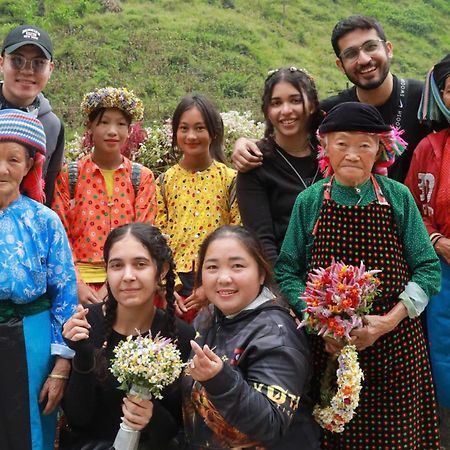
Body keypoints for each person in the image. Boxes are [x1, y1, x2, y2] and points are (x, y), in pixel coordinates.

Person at [275, 102, 441, 449]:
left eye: (364, 144)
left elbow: (428, 269)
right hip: (330, 352)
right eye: (341, 143)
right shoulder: (310, 202)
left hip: (397, 351)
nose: (352, 154)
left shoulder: (398, 198)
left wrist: (388, 321)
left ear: (381, 149)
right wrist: (319, 322)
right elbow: (288, 271)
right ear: (325, 148)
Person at [232, 15, 431, 183]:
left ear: (388, 49)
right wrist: (244, 142)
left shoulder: (424, 98)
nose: (363, 59)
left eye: (371, 47)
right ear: (340, 65)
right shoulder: (333, 111)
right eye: (351, 53)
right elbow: (290, 139)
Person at [183, 225, 321, 449]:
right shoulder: (208, 317)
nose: (224, 278)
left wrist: (219, 379)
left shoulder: (277, 332)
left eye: (237, 266)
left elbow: (272, 424)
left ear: (261, 274)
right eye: (212, 267)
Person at [61, 223, 195, 449]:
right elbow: (78, 419)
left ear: (160, 271)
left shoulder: (179, 335)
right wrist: (83, 357)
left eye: (140, 264)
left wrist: (151, 416)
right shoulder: (85, 325)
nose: (128, 276)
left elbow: (179, 428)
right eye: (117, 266)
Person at [0, 109, 77, 450]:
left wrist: (61, 364)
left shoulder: (45, 222)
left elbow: (65, 293)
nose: (3, 169)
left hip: (33, 336)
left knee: (30, 427)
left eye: (13, 159)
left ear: (30, 165)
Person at [52, 87, 157, 305]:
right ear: (89, 126)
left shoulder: (141, 178)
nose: (112, 131)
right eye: (104, 122)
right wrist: (77, 283)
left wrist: (114, 285)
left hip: (127, 282)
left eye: (121, 124)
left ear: (129, 130)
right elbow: (59, 235)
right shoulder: (70, 175)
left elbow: (144, 237)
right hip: (77, 286)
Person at [155, 94, 240, 320]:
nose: (191, 136)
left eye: (199, 128)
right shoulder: (164, 182)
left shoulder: (230, 179)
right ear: (175, 133)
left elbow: (238, 235)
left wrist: (208, 289)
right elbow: (157, 236)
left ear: (213, 132)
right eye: (184, 128)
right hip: (175, 287)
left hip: (219, 282)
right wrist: (165, 287)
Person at [405, 53, 450, 449]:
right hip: (442, 272)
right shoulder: (429, 149)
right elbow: (413, 212)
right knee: (442, 350)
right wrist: (436, 240)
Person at [236, 67, 322, 265]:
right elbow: (262, 242)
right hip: (284, 276)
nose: (286, 110)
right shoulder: (255, 161)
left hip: (338, 276)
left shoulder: (332, 153)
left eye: (295, 100)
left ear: (311, 105)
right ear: (267, 110)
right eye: (276, 103)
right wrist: (286, 289)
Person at [0, 24, 65, 205]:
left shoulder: (53, 127)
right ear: (1, 62)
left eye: (38, 63)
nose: (27, 71)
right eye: (17, 60)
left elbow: (50, 190)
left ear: (50, 69)